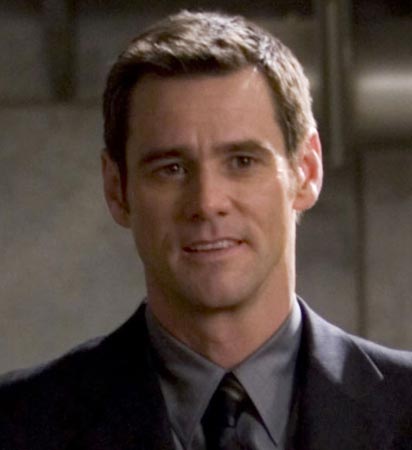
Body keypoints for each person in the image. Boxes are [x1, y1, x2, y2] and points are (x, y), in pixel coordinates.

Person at [0, 10, 411, 450]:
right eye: (171, 168)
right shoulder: (16, 424)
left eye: (242, 162)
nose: (207, 202)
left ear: (306, 171)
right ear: (117, 189)